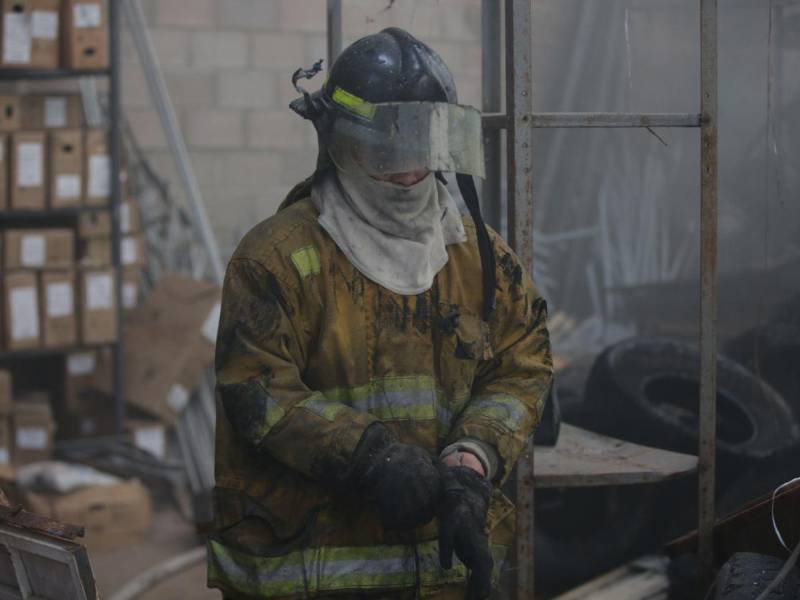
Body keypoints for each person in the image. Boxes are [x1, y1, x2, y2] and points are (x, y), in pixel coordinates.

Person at [208, 27, 553, 600]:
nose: (407, 168)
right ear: (340, 142)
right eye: (386, 145)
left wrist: (472, 457)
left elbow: (524, 363)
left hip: (441, 578)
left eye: (420, 142)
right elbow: (257, 389)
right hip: (311, 578)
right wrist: (370, 457)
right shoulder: (276, 259)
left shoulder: (481, 258)